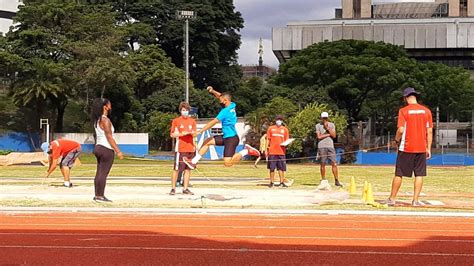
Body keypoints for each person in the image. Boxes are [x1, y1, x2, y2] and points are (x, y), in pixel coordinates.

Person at [183, 86, 260, 168]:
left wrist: (200, 131)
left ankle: (246, 151)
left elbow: (213, 122)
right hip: (226, 137)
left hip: (231, 138)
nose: (219, 100)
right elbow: (221, 96)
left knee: (228, 164)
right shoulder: (232, 105)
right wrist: (212, 91)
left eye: (221, 100)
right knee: (207, 141)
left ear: (225, 100)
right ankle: (193, 162)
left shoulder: (225, 112)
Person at [386, 87, 433, 207]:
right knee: (419, 174)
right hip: (421, 147)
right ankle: (415, 200)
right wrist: (428, 148)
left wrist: (396, 140)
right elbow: (430, 131)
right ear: (415, 96)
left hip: (406, 147)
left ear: (405, 98)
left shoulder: (403, 111)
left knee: (399, 173)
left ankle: (392, 198)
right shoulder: (426, 111)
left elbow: (401, 130)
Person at [90, 98, 124, 203]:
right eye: (109, 104)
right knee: (103, 173)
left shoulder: (97, 120)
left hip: (98, 146)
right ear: (105, 107)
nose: (111, 105)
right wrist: (118, 150)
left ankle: (97, 194)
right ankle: (100, 195)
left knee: (99, 172)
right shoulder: (105, 120)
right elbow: (109, 137)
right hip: (106, 148)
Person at [170, 102, 196, 195]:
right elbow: (172, 134)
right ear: (180, 111)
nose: (185, 112)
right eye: (183, 110)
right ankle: (173, 188)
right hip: (180, 148)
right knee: (176, 169)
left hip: (190, 148)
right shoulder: (176, 121)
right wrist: (182, 134)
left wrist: (195, 146)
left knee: (188, 169)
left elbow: (194, 134)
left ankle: (185, 188)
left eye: (187, 110)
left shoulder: (192, 121)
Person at [316, 112, 342, 190]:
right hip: (322, 146)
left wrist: (327, 128)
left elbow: (334, 135)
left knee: (334, 163)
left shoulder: (332, 125)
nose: (324, 119)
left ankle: (336, 180)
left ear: (328, 118)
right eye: (323, 118)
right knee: (323, 163)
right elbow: (319, 137)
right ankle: (323, 179)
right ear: (321, 118)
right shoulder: (318, 126)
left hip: (330, 146)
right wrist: (328, 134)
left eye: (326, 118)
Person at [266, 115, 291, 188]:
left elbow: (287, 140)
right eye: (278, 119)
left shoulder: (285, 129)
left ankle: (282, 182)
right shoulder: (271, 128)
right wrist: (266, 148)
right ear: (275, 120)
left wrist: (288, 143)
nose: (279, 121)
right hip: (272, 151)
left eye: (280, 119)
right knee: (272, 168)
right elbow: (268, 139)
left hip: (281, 151)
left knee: (281, 168)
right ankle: (271, 182)